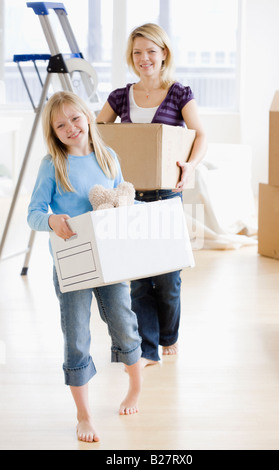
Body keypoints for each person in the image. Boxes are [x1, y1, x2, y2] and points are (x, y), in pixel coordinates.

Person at [27, 91, 142, 443]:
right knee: (76, 336)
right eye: (60, 125)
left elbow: (122, 199)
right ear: (53, 132)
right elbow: (33, 213)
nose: (70, 128)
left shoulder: (109, 158)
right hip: (72, 265)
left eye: (75, 118)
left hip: (109, 260)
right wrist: (52, 220)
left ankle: (135, 387)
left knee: (123, 322)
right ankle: (84, 414)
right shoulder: (52, 165)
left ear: (88, 117)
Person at [96, 24, 207, 368]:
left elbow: (200, 134)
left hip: (166, 193)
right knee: (140, 278)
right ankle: (146, 349)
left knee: (168, 277)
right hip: (131, 195)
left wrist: (189, 166)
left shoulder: (179, 93)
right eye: (137, 53)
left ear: (163, 54)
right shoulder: (119, 96)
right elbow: (96, 136)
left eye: (150, 51)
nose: (144, 58)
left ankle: (168, 335)